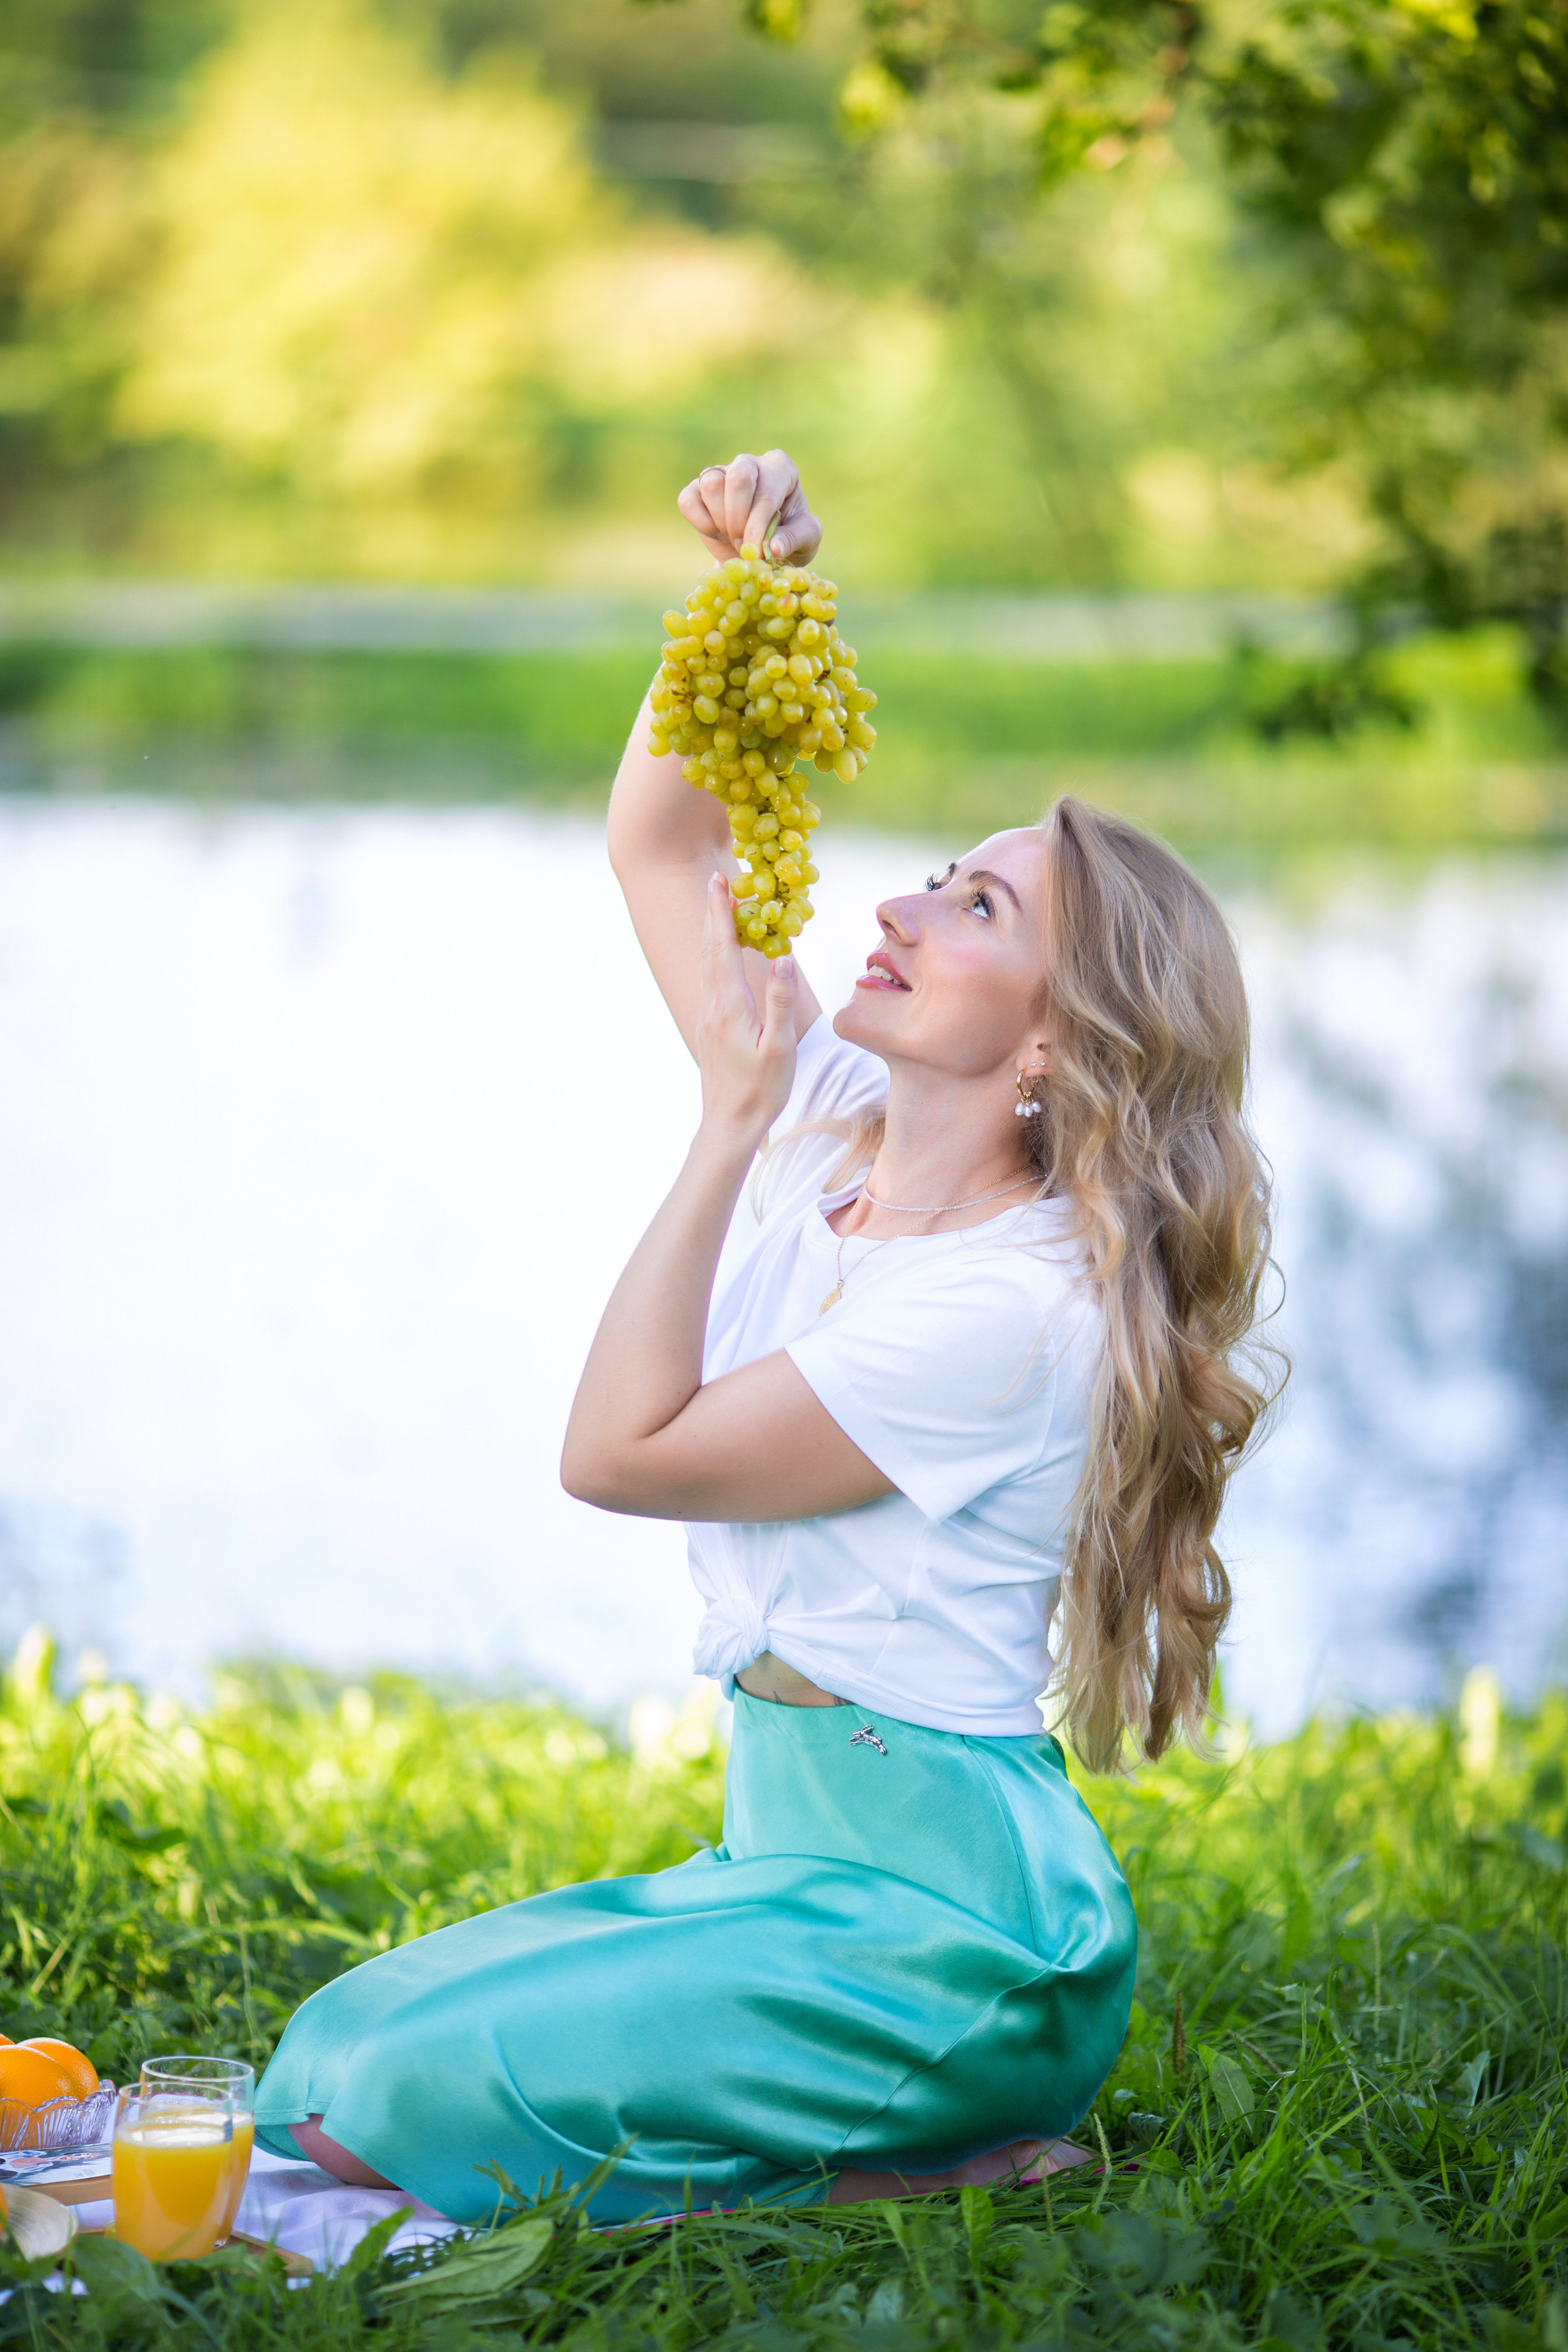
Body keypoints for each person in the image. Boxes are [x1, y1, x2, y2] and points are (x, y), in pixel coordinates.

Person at [254, 450, 1278, 2225]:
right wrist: (747, 602)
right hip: (791, 1867)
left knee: (388, 2114)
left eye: (976, 908)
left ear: (1055, 1044)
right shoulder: (835, 1126)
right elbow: (663, 841)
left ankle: (934, 2158)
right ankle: (897, 2149)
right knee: (325, 2063)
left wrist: (723, 1124)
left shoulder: (1008, 1307)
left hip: (954, 1937)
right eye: (939, 874)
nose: (897, 906)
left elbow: (617, 1457)